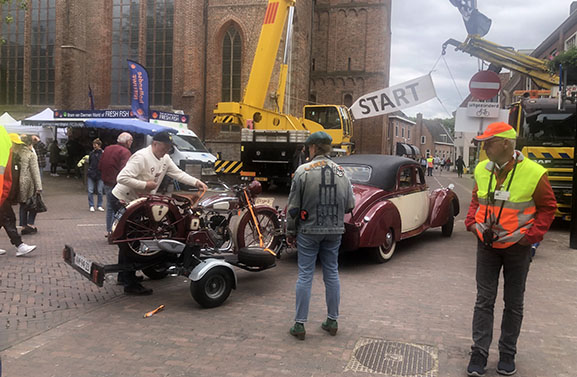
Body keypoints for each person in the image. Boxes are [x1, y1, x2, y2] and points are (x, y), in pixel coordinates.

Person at [464, 122, 556, 376]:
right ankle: (479, 353)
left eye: (489, 143)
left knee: (513, 303)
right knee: (484, 300)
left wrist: (531, 238)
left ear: (506, 143)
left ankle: (507, 353)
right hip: (487, 244)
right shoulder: (483, 169)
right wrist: (472, 223)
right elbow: (476, 198)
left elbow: (548, 207)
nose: (484, 148)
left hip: (518, 246)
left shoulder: (535, 173)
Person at [111, 131, 208, 295]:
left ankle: (124, 275)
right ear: (155, 143)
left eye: (169, 148)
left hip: (140, 202)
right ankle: (130, 283)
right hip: (124, 199)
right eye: (165, 147)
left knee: (130, 240)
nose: (167, 150)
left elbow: (177, 173)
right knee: (132, 240)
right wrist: (144, 185)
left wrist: (196, 182)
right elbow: (121, 178)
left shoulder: (164, 158)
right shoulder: (141, 157)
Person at [286, 131, 355, 340]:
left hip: (308, 230)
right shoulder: (343, 172)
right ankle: (332, 320)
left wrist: (290, 231)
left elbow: (293, 207)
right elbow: (350, 205)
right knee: (331, 273)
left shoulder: (303, 171)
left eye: (308, 148)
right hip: (334, 231)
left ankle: (300, 324)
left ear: (313, 148)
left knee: (305, 275)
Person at [0, 133, 37, 257]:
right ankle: (20, 245)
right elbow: (7, 179)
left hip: (4, 195)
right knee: (9, 218)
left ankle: (20, 246)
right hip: (2, 195)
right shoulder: (8, 156)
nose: (18, 147)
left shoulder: (12, 156)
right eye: (16, 144)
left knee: (4, 219)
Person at [99, 132, 133, 236]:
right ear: (127, 142)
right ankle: (116, 231)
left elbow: (100, 165)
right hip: (118, 183)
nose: (131, 143)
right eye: (131, 141)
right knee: (119, 207)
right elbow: (125, 170)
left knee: (109, 206)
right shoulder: (125, 152)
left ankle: (109, 230)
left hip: (106, 181)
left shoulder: (108, 148)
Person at [17, 135, 43, 235]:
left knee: (23, 204)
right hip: (29, 183)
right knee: (34, 204)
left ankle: (23, 226)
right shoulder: (31, 154)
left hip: (18, 182)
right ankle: (30, 224)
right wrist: (39, 187)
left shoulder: (16, 153)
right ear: (30, 144)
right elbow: (35, 171)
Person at [86, 138, 104, 212]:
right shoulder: (91, 153)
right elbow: (90, 162)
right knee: (90, 190)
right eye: (93, 144)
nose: (94, 146)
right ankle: (91, 205)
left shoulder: (103, 153)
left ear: (99, 145)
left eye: (95, 144)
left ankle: (99, 205)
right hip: (92, 173)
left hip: (99, 173)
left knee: (100, 191)